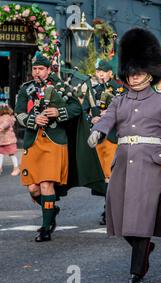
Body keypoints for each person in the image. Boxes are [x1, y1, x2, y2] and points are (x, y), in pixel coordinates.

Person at [87, 28, 161, 283]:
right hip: (122, 164)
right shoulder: (119, 100)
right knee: (120, 218)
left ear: (150, 73)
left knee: (141, 219)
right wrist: (98, 131)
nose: (135, 77)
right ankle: (144, 248)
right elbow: (108, 117)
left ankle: (136, 273)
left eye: (140, 72)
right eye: (131, 73)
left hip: (150, 164)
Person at [15, 52, 104, 242]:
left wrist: (58, 111)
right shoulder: (26, 88)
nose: (37, 72)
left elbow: (76, 109)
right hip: (33, 141)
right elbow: (18, 113)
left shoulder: (61, 87)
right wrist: (33, 119)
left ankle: (45, 228)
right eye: (35, 69)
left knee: (46, 183)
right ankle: (51, 209)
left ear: (48, 70)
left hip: (55, 141)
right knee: (33, 188)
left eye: (41, 69)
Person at [90, 59, 125, 225]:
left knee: (112, 175)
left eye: (103, 71)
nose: (101, 74)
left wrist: (110, 116)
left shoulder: (120, 89)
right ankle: (108, 207)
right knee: (103, 175)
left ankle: (110, 209)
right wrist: (92, 118)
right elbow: (84, 110)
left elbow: (128, 111)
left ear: (111, 73)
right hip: (98, 137)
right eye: (98, 71)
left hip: (113, 135)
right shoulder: (94, 90)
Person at [0, 104, 20, 176]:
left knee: (12, 154)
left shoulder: (7, 117)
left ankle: (16, 168)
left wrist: (1, 127)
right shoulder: (3, 117)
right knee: (1, 154)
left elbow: (6, 124)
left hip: (9, 140)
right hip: (2, 140)